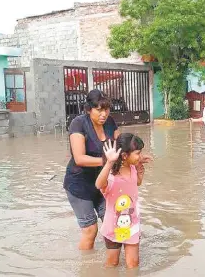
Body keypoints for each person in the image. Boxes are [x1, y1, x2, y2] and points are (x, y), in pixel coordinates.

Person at [63, 89, 150, 251]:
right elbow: (79, 158)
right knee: (90, 230)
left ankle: (115, 262)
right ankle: (87, 267)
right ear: (89, 109)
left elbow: (122, 147)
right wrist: (108, 161)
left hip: (105, 185)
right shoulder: (79, 123)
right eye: (99, 109)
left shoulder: (110, 122)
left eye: (106, 109)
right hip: (80, 185)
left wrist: (135, 157)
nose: (103, 114)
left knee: (118, 221)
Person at [95, 133, 149, 268]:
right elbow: (98, 184)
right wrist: (109, 162)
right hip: (113, 227)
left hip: (132, 225)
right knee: (112, 264)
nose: (140, 156)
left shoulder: (132, 168)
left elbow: (136, 183)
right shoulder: (111, 176)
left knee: (133, 265)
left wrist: (140, 169)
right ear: (125, 156)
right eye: (137, 153)